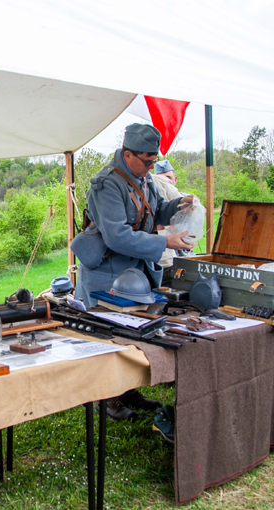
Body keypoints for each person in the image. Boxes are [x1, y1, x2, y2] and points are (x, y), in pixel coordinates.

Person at [72, 124, 194, 420]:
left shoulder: (145, 177)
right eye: (147, 161)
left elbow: (155, 210)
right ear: (127, 155)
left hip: (134, 271)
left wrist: (178, 204)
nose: (152, 166)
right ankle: (105, 398)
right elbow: (116, 236)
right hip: (107, 271)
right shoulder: (106, 185)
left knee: (130, 337)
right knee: (106, 337)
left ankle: (127, 390)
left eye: (154, 161)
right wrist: (165, 242)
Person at [152, 160, 194, 286]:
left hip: (179, 258)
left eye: (169, 179)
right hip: (161, 259)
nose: (166, 183)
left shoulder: (184, 198)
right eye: (162, 179)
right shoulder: (150, 194)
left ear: (175, 180)